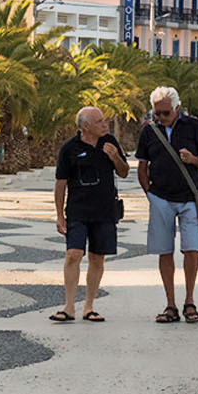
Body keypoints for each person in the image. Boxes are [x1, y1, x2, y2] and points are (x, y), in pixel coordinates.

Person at [136, 85, 198, 324]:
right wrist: (150, 195)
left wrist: (193, 159)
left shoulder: (194, 126)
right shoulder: (149, 131)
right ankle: (170, 305)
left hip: (189, 198)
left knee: (191, 249)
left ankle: (189, 301)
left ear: (177, 108)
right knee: (164, 251)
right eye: (157, 113)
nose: (161, 117)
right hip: (161, 198)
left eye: (166, 113)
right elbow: (142, 167)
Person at [52, 106, 128, 323]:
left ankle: (89, 307)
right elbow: (60, 183)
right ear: (85, 127)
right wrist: (59, 215)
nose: (104, 124)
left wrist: (115, 157)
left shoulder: (109, 142)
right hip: (78, 210)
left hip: (105, 210)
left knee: (97, 257)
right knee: (73, 254)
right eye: (99, 122)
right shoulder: (70, 148)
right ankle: (68, 307)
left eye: (104, 120)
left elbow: (123, 172)